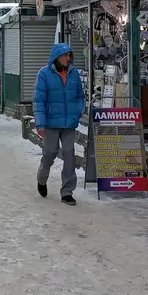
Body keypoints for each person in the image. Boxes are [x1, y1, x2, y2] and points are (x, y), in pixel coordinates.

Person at [33, 42, 86, 206]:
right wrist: (40, 123)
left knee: (69, 155)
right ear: (57, 57)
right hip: (51, 122)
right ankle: (42, 179)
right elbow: (38, 101)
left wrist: (79, 110)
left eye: (70, 55)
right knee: (50, 153)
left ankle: (67, 192)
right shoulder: (44, 73)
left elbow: (80, 95)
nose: (68, 58)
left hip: (69, 123)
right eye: (65, 55)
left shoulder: (74, 73)